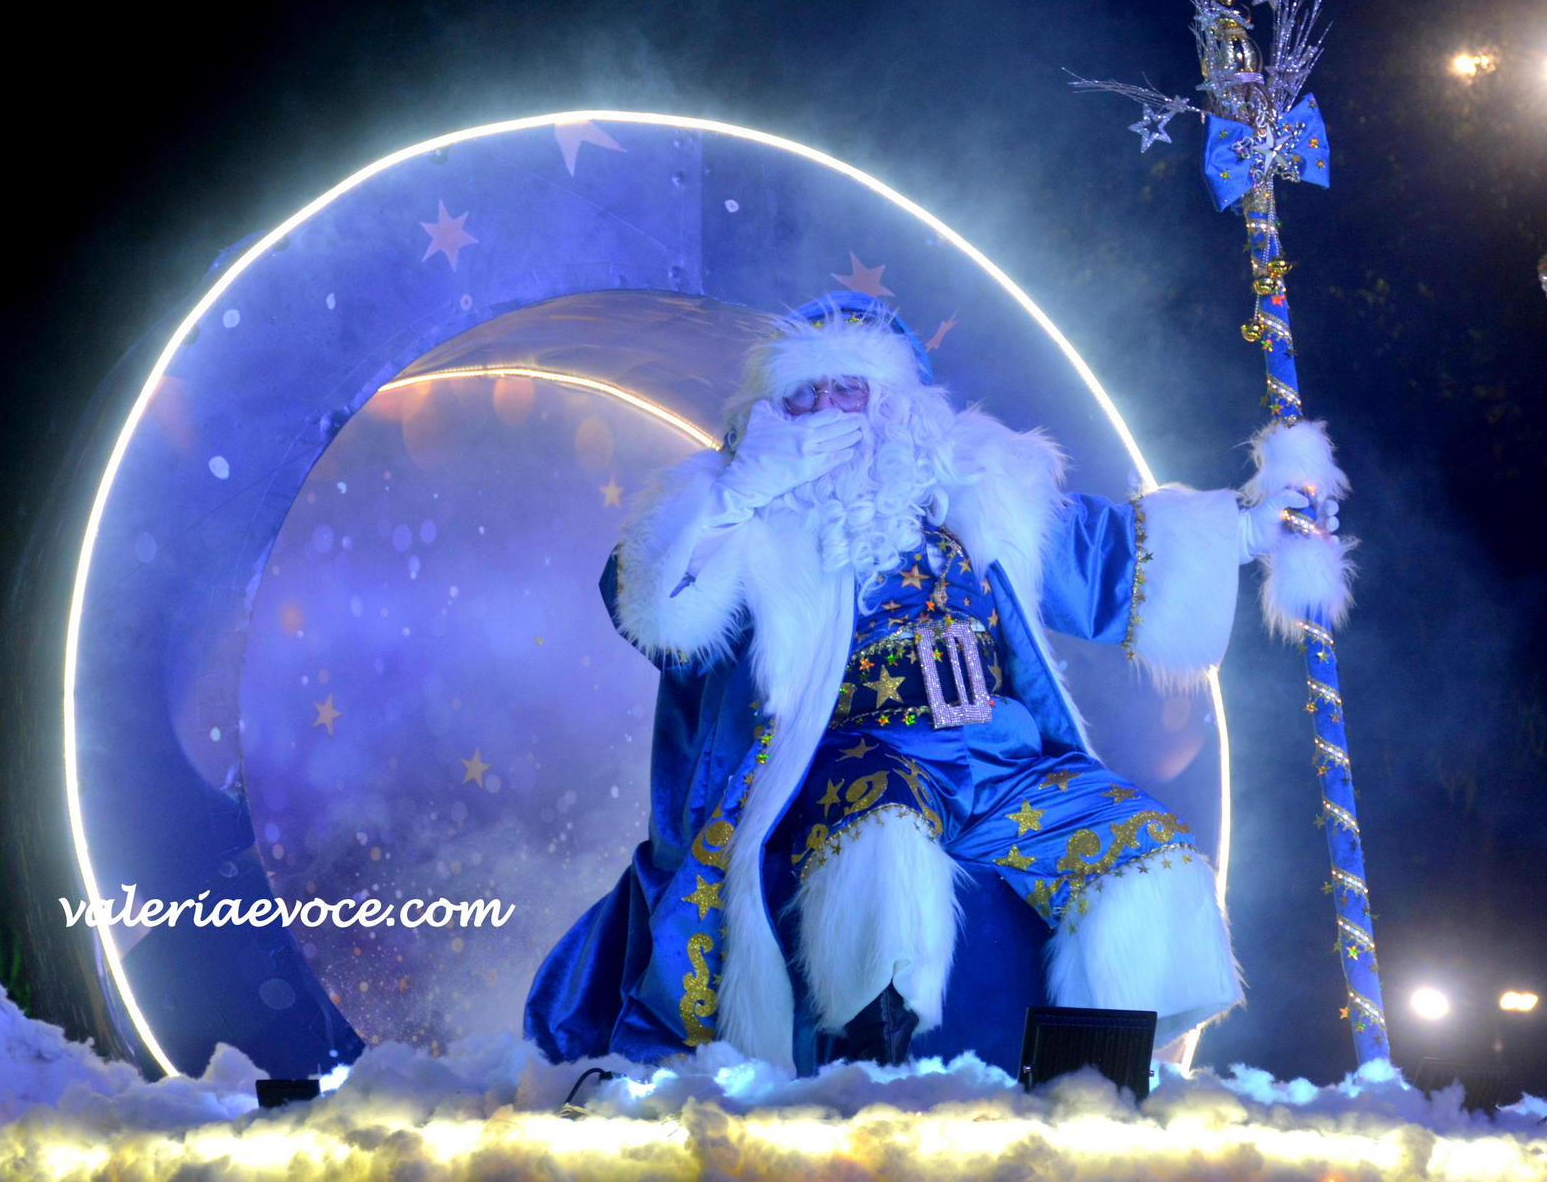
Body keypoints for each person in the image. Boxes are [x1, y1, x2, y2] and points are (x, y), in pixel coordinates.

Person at [525, 292, 1349, 1071]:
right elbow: (655, 612)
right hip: (855, 753)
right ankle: (874, 1082)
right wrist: (741, 491)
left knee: (1147, 851)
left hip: (1002, 757)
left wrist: (1249, 529)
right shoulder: (748, 512)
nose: (830, 408)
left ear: (898, 405)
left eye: (851, 388)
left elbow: (1101, 555)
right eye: (805, 394)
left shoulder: (978, 489)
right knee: (880, 835)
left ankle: (1091, 1087)